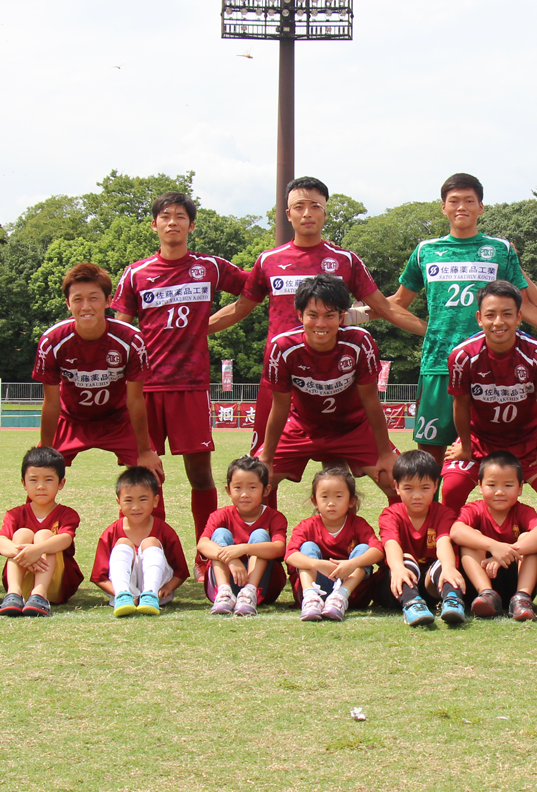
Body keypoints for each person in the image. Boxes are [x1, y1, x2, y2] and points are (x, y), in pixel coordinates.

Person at [209, 177, 424, 458]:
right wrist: (192, 332)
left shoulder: (345, 260)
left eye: (315, 206)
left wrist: (432, 331)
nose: (307, 213)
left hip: (336, 377)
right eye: (299, 206)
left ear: (325, 211)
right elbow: (239, 309)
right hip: (280, 375)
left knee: (342, 465)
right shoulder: (268, 260)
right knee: (263, 463)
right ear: (288, 214)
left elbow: (385, 307)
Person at [112, 192, 251, 540]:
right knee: (143, 476)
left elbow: (255, 289)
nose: (172, 221)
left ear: (190, 224)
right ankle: (147, 548)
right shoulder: (136, 274)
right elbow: (120, 331)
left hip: (191, 385)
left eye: (179, 216)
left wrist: (208, 324)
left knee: (200, 474)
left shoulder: (209, 267)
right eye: (165, 216)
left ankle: (206, 550)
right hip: (145, 387)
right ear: (154, 224)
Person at [389, 172, 537, 462]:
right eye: (454, 201)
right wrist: (354, 313)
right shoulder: (425, 251)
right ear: (443, 207)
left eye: (469, 200)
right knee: (431, 458)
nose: (461, 206)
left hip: (492, 371)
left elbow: (523, 305)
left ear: (481, 207)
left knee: (497, 455)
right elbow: (397, 302)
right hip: (439, 364)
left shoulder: (500, 249)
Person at [258, 274, 399, 501]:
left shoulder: (360, 343)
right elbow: (281, 406)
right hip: (302, 428)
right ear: (299, 315)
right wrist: (266, 457)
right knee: (257, 483)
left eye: (330, 315)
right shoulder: (282, 347)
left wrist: (385, 453)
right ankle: (266, 536)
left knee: (397, 484)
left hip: (353, 427)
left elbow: (371, 401)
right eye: (312, 315)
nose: (321, 324)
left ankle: (396, 536)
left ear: (342, 316)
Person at [441, 280, 537, 522]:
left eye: (507, 314)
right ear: (479, 318)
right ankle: (451, 552)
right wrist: (465, 446)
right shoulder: (462, 356)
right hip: (480, 441)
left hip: (527, 440)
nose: (498, 322)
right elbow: (461, 404)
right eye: (490, 315)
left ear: (519, 317)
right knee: (451, 489)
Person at [36, 263, 160, 475]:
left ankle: (134, 508)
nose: (86, 306)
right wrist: (46, 450)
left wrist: (145, 450)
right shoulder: (51, 341)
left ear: (108, 301)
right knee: (39, 473)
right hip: (70, 420)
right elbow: (51, 402)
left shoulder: (130, 339)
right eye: (77, 299)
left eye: (93, 298)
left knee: (150, 475)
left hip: (118, 420)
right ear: (68, 303)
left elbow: (136, 399)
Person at [443, 451, 537, 621]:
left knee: (528, 540)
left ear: (520, 488)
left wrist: (504, 553)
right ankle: (486, 595)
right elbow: (456, 531)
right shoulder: (474, 509)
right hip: (481, 580)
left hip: (515, 581)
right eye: (492, 485)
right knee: (472, 538)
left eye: (508, 485)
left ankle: (522, 598)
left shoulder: (523, 511)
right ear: (480, 486)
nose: (499, 492)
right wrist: (494, 547)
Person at [284, 465, 383, 622]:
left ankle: (340, 597)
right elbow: (290, 554)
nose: (331, 503)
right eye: (324, 497)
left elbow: (378, 550)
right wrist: (317, 564)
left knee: (364, 549)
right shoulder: (307, 526)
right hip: (319, 581)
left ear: (351, 501)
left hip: (351, 590)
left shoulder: (357, 524)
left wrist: (351, 564)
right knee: (307, 547)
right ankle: (310, 597)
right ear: (314, 501)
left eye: (338, 497)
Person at [0, 446, 82, 618]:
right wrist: (25, 554)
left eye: (48, 480)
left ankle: (40, 596)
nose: (41, 486)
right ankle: (13, 594)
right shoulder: (15, 514)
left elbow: (65, 539)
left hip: (55, 584)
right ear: (24, 483)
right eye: (33, 480)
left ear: (61, 483)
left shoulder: (67, 514)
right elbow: (0, 541)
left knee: (44, 535)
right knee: (21, 534)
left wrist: (38, 550)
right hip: (23, 579)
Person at [196, 457, 288, 617]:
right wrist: (231, 559)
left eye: (252, 487)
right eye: (238, 487)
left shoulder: (274, 517)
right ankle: (223, 592)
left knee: (260, 534)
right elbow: (202, 544)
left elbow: (279, 548)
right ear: (228, 490)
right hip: (227, 577)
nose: (244, 494)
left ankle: (250, 592)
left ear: (266, 490)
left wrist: (243, 548)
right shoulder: (220, 515)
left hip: (262, 585)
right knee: (220, 534)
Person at [91, 466, 187, 617]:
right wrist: (119, 592)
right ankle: (124, 596)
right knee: (123, 542)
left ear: (155, 501)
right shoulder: (111, 532)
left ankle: (150, 595)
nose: (136, 507)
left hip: (157, 593)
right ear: (119, 502)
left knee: (151, 542)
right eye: (128, 500)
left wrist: (168, 587)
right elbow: (99, 577)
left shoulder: (165, 531)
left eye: (143, 499)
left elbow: (180, 571)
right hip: (123, 593)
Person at [379, 450, 460, 627]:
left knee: (444, 565)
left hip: (430, 584)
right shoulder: (390, 515)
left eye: (425, 488)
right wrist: (398, 568)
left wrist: (448, 568)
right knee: (405, 560)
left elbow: (443, 541)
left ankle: (452, 601)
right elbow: (391, 543)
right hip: (397, 585)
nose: (417, 496)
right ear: (397, 487)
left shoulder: (444, 513)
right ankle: (412, 604)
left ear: (435, 486)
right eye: (408, 488)